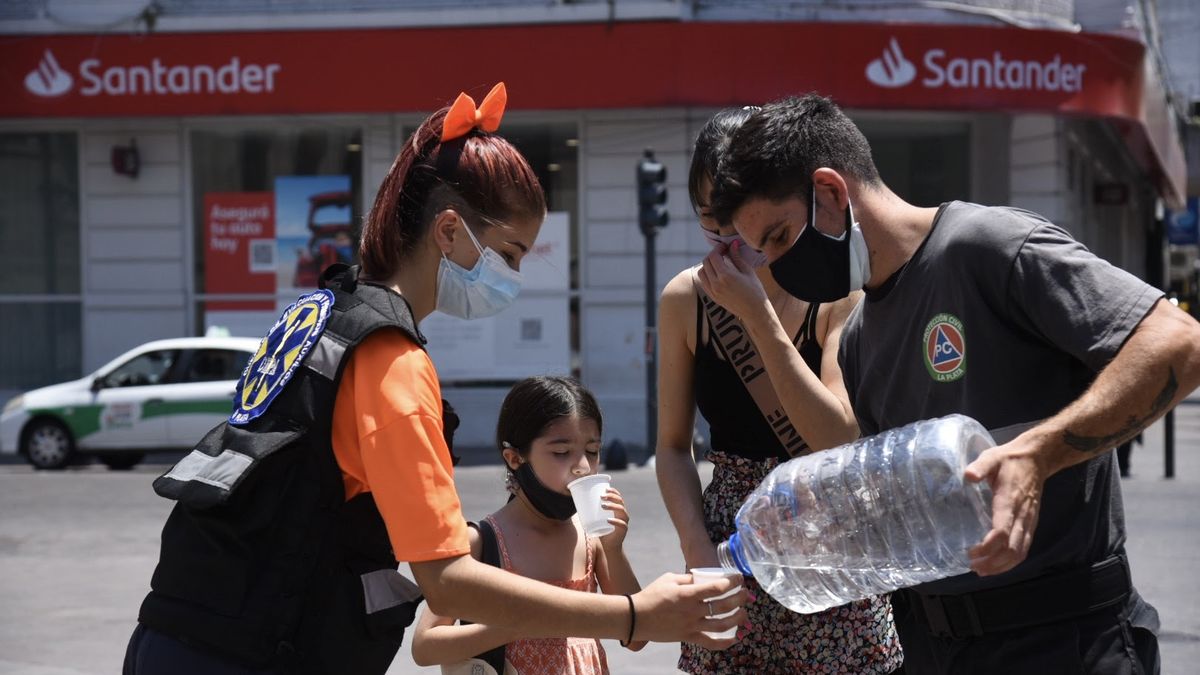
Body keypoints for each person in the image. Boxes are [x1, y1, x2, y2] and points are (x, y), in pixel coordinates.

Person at [123, 83, 746, 675]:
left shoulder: (319, 314)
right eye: (509, 255)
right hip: (253, 653)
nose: (513, 277)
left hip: (181, 634)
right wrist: (637, 616)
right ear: (449, 231)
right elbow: (447, 578)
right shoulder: (392, 361)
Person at [706, 93, 1200, 674]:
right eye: (767, 253)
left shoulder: (987, 246)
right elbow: (891, 490)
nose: (782, 265)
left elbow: (1178, 342)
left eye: (783, 236)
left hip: (1063, 639)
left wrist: (1038, 456)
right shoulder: (862, 330)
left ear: (831, 192)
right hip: (933, 646)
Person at [656, 107, 902, 674]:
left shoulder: (833, 292)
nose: (726, 241)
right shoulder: (685, 299)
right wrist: (700, 557)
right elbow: (672, 447)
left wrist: (758, 319)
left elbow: (839, 438)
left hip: (831, 545)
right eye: (710, 223)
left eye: (739, 224)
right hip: (732, 551)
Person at [412, 376, 647, 674]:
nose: (583, 466)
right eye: (561, 452)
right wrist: (516, 624)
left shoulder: (592, 539)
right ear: (514, 458)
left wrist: (614, 549)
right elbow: (425, 646)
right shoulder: (482, 542)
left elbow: (639, 636)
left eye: (592, 450)